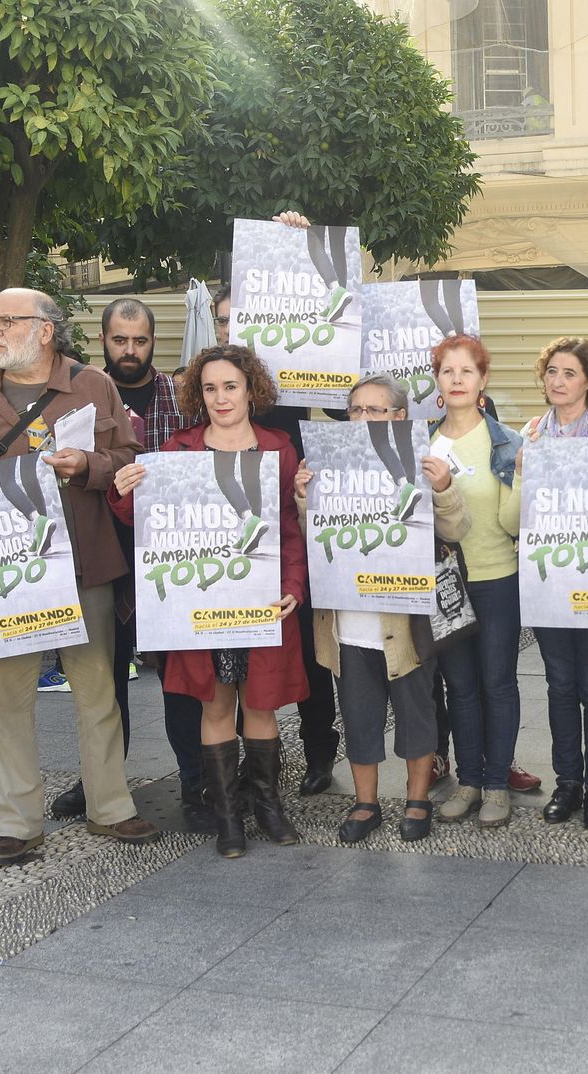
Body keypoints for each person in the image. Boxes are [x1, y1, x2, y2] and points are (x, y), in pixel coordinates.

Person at [0, 288, 160, 866]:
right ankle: (17, 822)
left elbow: (132, 464)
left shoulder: (92, 385)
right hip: (8, 575)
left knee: (98, 692)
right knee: (7, 699)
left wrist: (89, 466)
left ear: (46, 329)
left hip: (83, 566)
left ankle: (110, 807)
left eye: (8, 321)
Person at [110, 344, 308, 859]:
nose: (221, 398)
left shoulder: (278, 449)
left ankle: (267, 805)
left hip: (261, 601)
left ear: (251, 390)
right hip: (201, 606)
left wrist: (294, 586)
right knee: (216, 706)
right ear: (199, 395)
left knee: (261, 706)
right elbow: (144, 525)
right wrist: (126, 491)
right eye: (210, 388)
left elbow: (290, 531)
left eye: (231, 386)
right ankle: (227, 816)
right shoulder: (178, 451)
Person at [50, 298, 203, 825]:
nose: (130, 350)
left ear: (153, 340)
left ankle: (197, 780)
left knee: (180, 680)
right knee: (103, 680)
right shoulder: (80, 399)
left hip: (170, 561)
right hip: (101, 557)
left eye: (140, 340)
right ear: (103, 339)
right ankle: (100, 781)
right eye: (120, 340)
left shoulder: (181, 397)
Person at [298, 374, 469, 844]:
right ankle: (365, 803)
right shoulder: (324, 465)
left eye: (376, 410)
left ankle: (417, 801)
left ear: (399, 416)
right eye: (356, 410)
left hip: (404, 621)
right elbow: (312, 538)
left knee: (417, 714)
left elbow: (457, 529)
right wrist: (302, 496)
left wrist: (444, 487)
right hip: (348, 623)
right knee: (358, 715)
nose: (364, 419)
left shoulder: (423, 460)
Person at [215, 268, 342, 797]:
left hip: (291, 516)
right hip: (233, 536)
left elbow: (341, 397)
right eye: (223, 322)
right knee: (237, 646)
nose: (230, 330)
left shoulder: (292, 365)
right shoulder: (214, 384)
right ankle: (252, 761)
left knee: (308, 644)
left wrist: (299, 250)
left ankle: (318, 751)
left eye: (238, 319)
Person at [522, 337, 588, 831]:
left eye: (569, 373)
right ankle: (567, 783)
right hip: (548, 577)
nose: (558, 382)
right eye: (552, 372)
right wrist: (522, 472)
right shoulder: (531, 435)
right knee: (560, 684)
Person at [429, 334, 526, 829]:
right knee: (459, 687)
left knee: (497, 683)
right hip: (444, 585)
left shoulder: (507, 442)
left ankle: (495, 784)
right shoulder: (421, 441)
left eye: (468, 371)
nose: (458, 380)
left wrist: (524, 477)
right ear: (438, 381)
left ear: (483, 379)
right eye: (448, 371)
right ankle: (467, 781)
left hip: (496, 579)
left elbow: (512, 524)